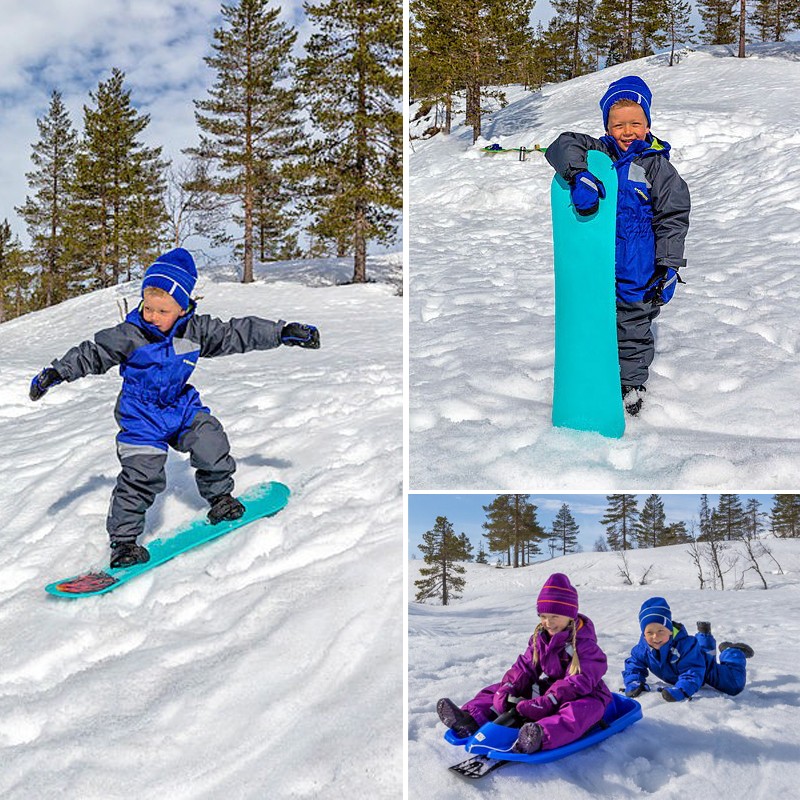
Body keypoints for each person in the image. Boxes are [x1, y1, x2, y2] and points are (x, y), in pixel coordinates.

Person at [29, 247, 320, 568]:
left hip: (180, 407)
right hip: (141, 417)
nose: (151, 315)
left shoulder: (197, 331)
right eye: (147, 306)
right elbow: (92, 353)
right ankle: (124, 543)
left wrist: (280, 332)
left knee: (210, 440)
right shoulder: (130, 334)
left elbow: (238, 332)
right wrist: (57, 372)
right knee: (142, 474)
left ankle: (220, 498)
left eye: (161, 310)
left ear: (182, 309)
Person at [545, 75, 691, 415]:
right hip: (597, 265)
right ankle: (595, 379)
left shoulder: (658, 167)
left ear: (648, 123)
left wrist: (668, 265)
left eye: (635, 123)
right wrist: (579, 174)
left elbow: (673, 217)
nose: (627, 131)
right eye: (618, 124)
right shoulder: (600, 154)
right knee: (596, 323)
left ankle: (631, 387)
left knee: (633, 330)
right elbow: (562, 145)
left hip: (639, 267)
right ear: (607, 127)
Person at [436, 573, 611, 754]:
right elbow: (525, 667)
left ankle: (538, 736)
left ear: (570, 616)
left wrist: (550, 700)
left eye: (554, 616)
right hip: (551, 691)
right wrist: (509, 686)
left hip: (586, 694)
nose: (548, 622)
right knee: (496, 690)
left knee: (580, 712)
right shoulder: (540, 638)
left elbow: (579, 681)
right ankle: (469, 720)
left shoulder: (584, 644)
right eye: (542, 616)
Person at [622, 597, 754, 702]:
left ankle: (732, 651)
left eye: (661, 630)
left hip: (704, 669)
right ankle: (704, 635)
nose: (655, 636)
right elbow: (633, 665)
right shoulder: (642, 649)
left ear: (670, 631)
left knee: (734, 685)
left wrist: (683, 690)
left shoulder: (684, 646)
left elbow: (693, 671)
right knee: (702, 652)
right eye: (649, 632)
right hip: (692, 660)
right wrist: (634, 682)